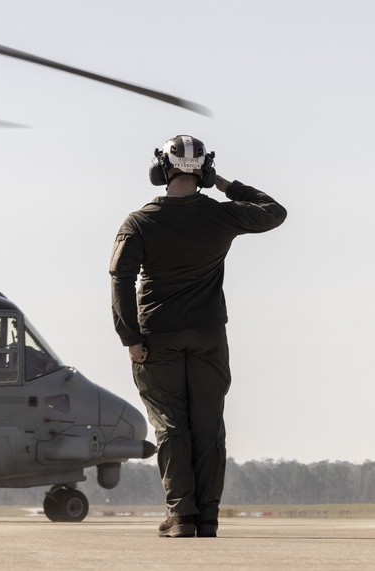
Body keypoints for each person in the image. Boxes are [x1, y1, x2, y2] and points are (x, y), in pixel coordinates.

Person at [109, 135, 287, 538]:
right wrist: (225, 185)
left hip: (158, 335)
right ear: (204, 170)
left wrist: (129, 336)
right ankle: (208, 517)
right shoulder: (220, 215)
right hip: (208, 333)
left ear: (161, 169)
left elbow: (120, 278)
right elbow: (274, 212)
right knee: (209, 425)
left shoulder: (140, 222)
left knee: (171, 424)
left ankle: (181, 516)